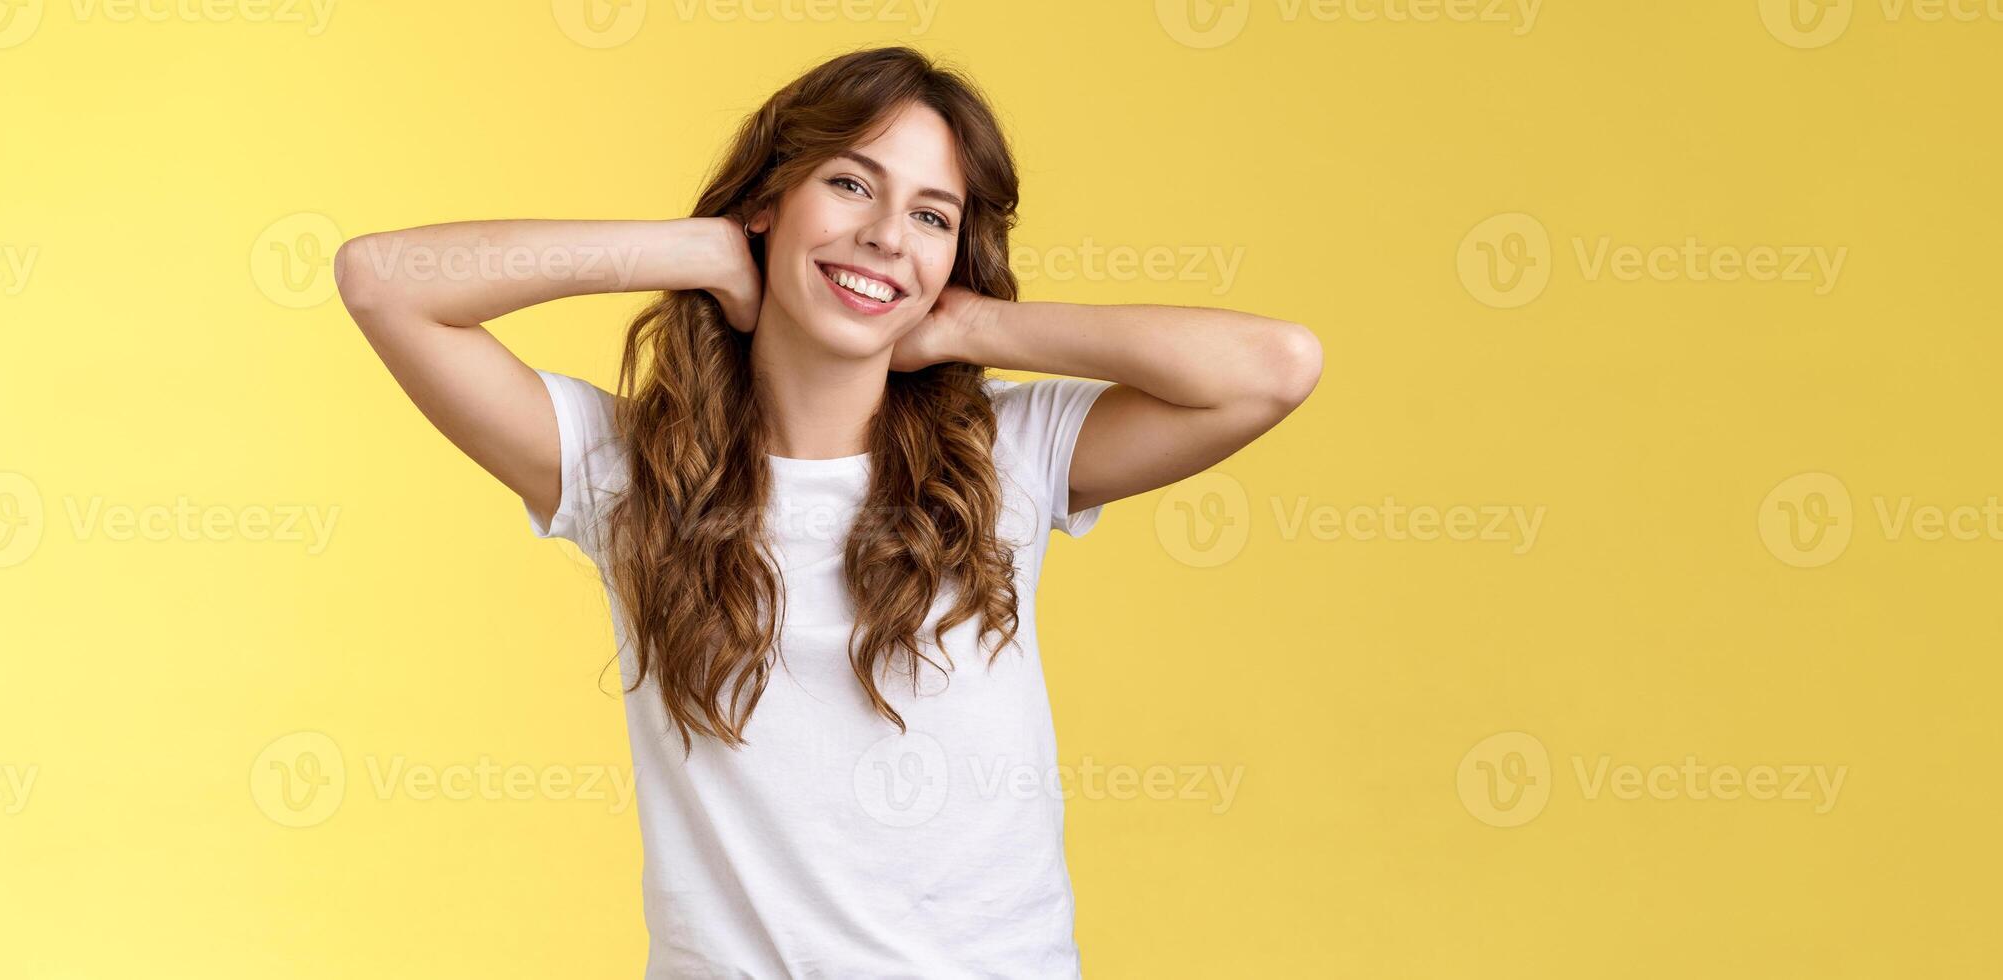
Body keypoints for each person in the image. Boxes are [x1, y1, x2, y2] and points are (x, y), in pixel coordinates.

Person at [336, 45, 1318, 979]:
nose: (887, 234)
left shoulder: (1003, 453)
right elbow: (381, 281)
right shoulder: (627, 473)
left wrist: (975, 324)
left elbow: (1275, 368)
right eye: (850, 184)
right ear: (772, 198)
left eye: (933, 217)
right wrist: (699, 250)